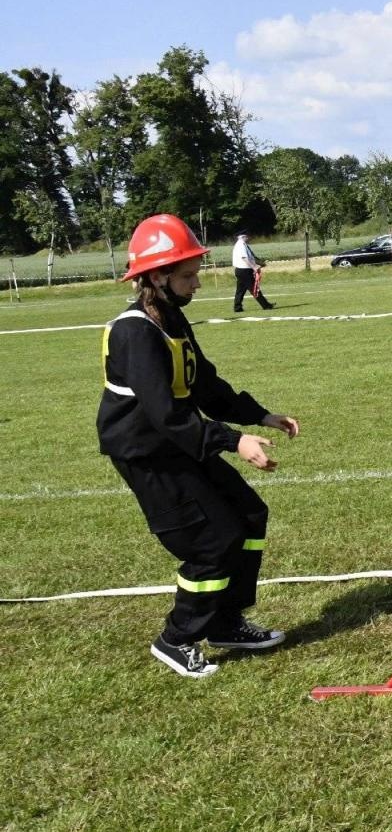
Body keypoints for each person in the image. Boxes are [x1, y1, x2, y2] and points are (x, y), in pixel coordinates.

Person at [99, 214, 300, 678]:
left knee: (248, 515)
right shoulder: (134, 331)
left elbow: (203, 384)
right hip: (149, 456)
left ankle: (227, 622)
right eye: (188, 275)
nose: (196, 284)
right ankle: (177, 638)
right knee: (212, 542)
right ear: (157, 276)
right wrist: (233, 441)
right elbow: (165, 415)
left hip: (179, 443)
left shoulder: (171, 318)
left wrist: (258, 414)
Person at [231, 230, 275, 313]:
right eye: (247, 236)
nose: (249, 237)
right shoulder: (240, 245)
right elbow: (244, 258)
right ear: (243, 237)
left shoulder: (243, 245)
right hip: (244, 271)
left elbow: (251, 257)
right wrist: (254, 267)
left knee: (240, 291)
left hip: (242, 271)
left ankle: (237, 307)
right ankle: (266, 305)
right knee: (254, 288)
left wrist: (260, 263)